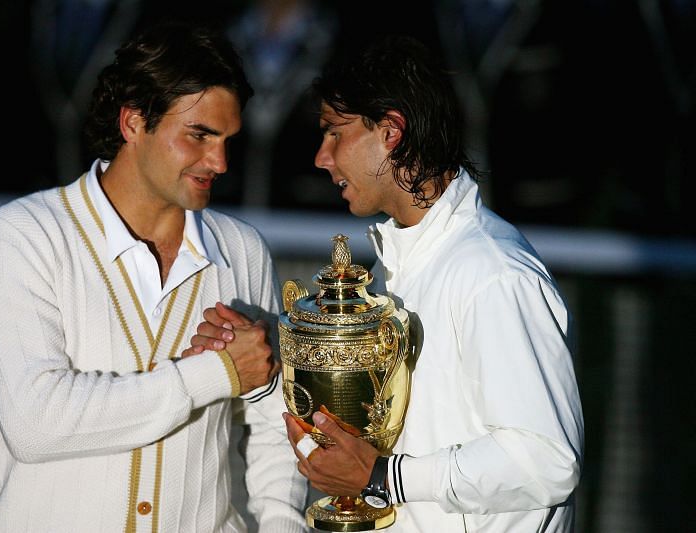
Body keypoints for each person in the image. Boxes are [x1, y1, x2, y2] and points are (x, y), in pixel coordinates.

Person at [189, 34, 584, 532]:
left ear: (391, 131)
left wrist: (381, 477)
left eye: (335, 133)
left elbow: (546, 462)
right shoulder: (395, 269)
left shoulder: (492, 273)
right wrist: (266, 365)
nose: (321, 157)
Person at [0, 20, 308, 532]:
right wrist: (214, 375)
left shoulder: (243, 250)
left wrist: (282, 523)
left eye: (227, 140)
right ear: (132, 123)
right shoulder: (19, 237)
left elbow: (273, 418)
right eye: (199, 135)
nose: (219, 161)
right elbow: (35, 423)